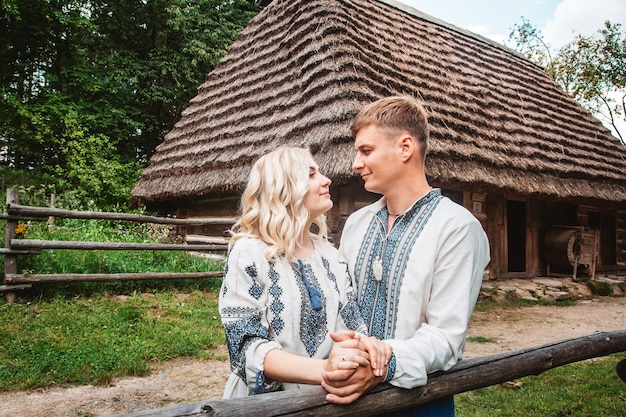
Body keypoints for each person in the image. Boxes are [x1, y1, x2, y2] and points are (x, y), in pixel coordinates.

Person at [322, 96, 491, 415]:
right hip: (349, 399)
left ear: (405, 147)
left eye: (366, 151)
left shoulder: (456, 227)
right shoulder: (357, 224)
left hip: (418, 401)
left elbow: (445, 337)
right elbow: (341, 306)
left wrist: (382, 363)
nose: (355, 163)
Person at [219, 147, 392, 399]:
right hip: (265, 404)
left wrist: (357, 350)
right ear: (284, 188)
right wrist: (325, 369)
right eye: (311, 174)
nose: (326, 180)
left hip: (326, 398)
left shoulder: (330, 255)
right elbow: (245, 345)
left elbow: (352, 324)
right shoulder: (249, 253)